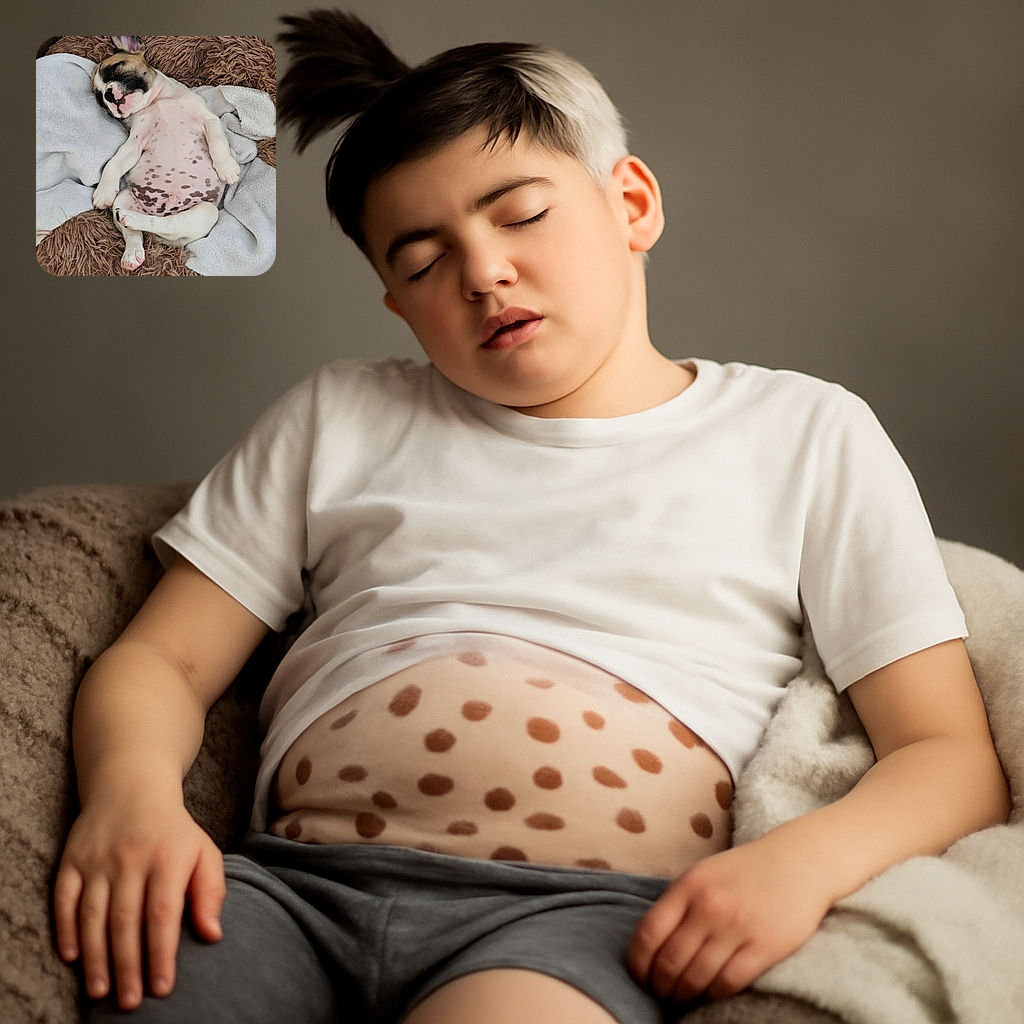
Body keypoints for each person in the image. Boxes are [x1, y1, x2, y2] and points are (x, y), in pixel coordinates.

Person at [55, 10, 1010, 1023]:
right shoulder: (339, 415)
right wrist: (132, 798)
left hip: (575, 920)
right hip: (289, 891)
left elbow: (945, 753)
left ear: (630, 204)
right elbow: (159, 659)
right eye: (423, 262)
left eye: (519, 215)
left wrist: (797, 866)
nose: (481, 272)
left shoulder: (800, 432)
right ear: (394, 301)